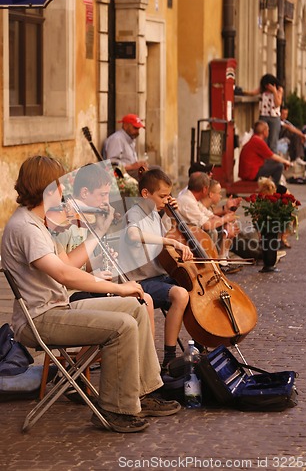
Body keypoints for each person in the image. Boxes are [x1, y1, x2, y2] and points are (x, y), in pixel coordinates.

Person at [1, 156, 180, 433]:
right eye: (59, 186)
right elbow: (64, 275)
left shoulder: (38, 222)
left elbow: (69, 264)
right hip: (39, 319)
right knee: (122, 326)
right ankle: (114, 409)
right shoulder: (26, 228)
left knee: (135, 306)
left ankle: (142, 394)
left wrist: (97, 231)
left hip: (57, 309)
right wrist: (119, 286)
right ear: (48, 189)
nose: (63, 192)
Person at [50, 162, 155, 337]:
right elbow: (61, 273)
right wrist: (93, 277)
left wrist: (98, 262)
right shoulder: (65, 223)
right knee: (139, 305)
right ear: (84, 193)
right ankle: (87, 361)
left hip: (84, 288)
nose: (106, 201)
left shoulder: (86, 218)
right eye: (102, 195)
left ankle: (136, 361)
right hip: (68, 295)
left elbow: (81, 264)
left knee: (144, 299)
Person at [119, 168, 194, 370]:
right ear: (145, 194)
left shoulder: (154, 214)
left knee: (193, 289)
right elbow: (133, 235)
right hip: (141, 282)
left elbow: (164, 247)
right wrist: (169, 241)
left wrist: (171, 215)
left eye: (168, 196)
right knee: (180, 294)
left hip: (159, 277)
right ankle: (169, 356)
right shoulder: (134, 213)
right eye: (162, 196)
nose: (166, 200)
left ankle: (200, 347)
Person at [176, 172, 240, 269]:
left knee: (224, 226)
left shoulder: (192, 199)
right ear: (205, 189)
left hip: (192, 233)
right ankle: (213, 263)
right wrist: (225, 219)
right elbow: (206, 225)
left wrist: (227, 222)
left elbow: (210, 216)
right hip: (183, 237)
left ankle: (221, 260)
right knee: (212, 231)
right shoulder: (187, 201)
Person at [238, 121, 292, 185]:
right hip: (251, 174)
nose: (268, 132)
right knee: (279, 166)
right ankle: (274, 189)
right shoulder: (257, 141)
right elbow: (272, 156)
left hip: (247, 173)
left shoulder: (254, 139)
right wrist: (286, 162)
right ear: (264, 132)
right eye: (268, 130)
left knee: (274, 163)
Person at [199, 179, 241, 257]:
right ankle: (221, 258)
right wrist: (226, 222)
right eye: (219, 193)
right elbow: (207, 224)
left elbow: (213, 215)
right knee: (215, 231)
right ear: (211, 194)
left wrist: (228, 220)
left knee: (232, 225)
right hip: (198, 237)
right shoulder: (198, 205)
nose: (221, 196)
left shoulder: (206, 206)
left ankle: (224, 257)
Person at [245, 73, 283, 152]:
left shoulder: (279, 89)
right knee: (262, 139)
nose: (267, 88)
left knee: (273, 140)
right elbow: (252, 93)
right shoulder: (262, 90)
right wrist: (241, 91)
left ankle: (272, 160)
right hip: (264, 116)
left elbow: (277, 104)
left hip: (274, 117)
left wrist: (274, 91)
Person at [102, 114, 148, 180]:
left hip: (130, 171)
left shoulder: (130, 138)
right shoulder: (117, 139)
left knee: (155, 170)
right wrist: (131, 166)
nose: (137, 132)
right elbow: (112, 163)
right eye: (135, 128)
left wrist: (139, 165)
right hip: (122, 173)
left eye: (138, 129)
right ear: (126, 126)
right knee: (150, 175)